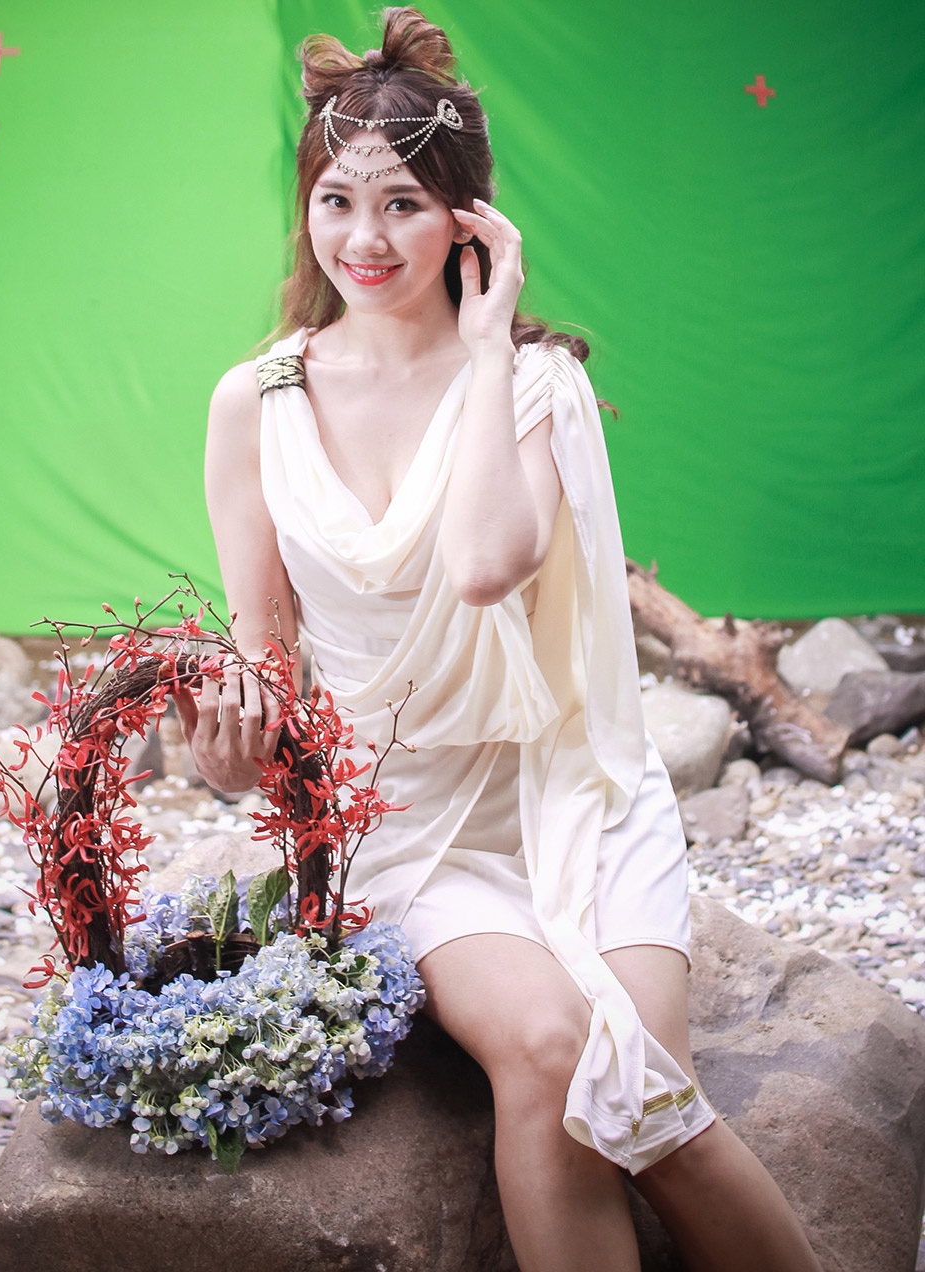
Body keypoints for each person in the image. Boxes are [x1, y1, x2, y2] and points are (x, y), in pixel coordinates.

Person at [175, 9, 823, 1270]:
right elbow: (266, 663)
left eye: (404, 205)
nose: (365, 239)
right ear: (305, 208)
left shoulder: (532, 384)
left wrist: (482, 352)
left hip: (573, 787)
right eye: (337, 202)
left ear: (468, 219)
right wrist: (227, 752)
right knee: (552, 1045)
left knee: (648, 1103)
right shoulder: (256, 402)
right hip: (405, 822)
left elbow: (483, 565)